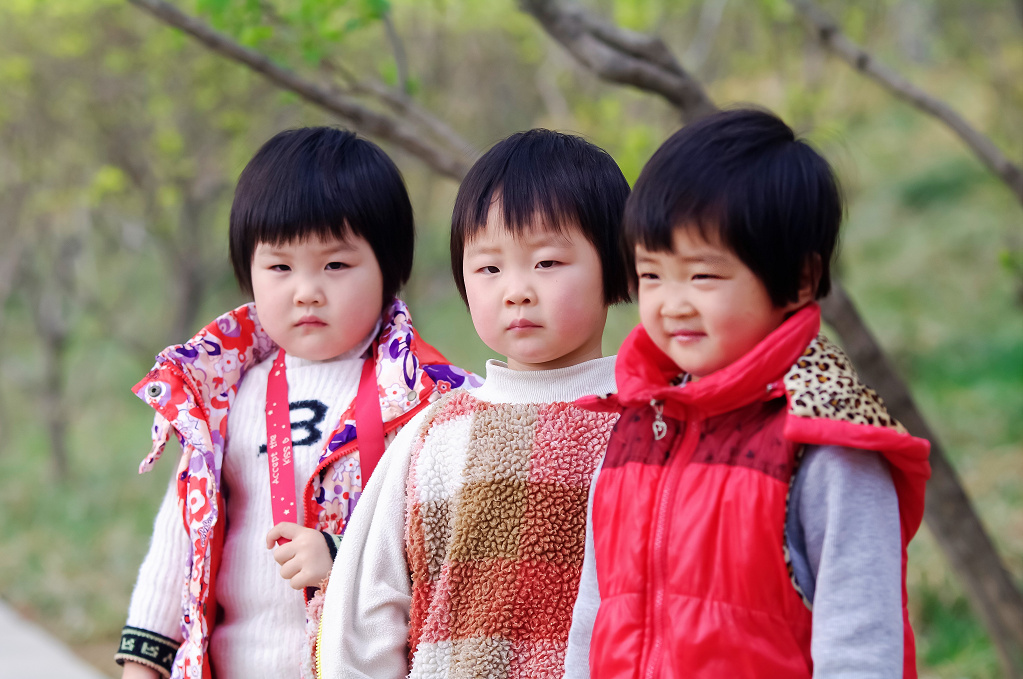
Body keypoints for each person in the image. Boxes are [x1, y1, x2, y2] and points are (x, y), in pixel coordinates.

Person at [565, 108, 932, 678]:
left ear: (801, 279)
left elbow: (861, 645)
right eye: (653, 275)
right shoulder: (638, 426)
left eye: (703, 276)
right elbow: (595, 613)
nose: (672, 302)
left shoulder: (825, 444)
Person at [115, 127, 476, 679]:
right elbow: (179, 537)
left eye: (335, 266)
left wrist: (341, 555)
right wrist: (145, 663)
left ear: (389, 269)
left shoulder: (427, 402)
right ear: (249, 271)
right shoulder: (223, 395)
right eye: (280, 267)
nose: (306, 290)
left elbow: (453, 546)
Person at [315, 129, 633, 679]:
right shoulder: (436, 431)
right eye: (489, 268)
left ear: (619, 264)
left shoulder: (646, 427)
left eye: (548, 262)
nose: (516, 289)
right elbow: (369, 606)